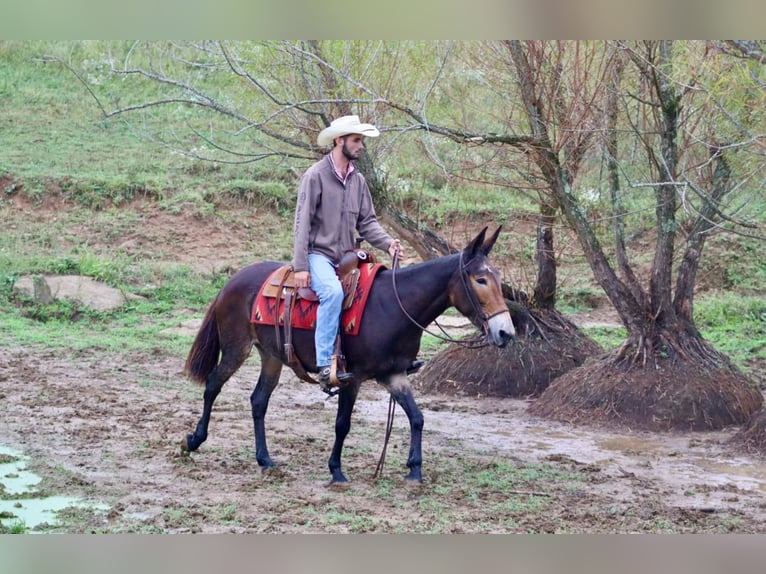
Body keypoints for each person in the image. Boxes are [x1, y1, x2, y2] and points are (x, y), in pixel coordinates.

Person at [292, 115, 403, 386]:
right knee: (332, 292)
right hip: (319, 255)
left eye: (361, 141)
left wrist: (388, 242)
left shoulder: (358, 181)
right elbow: (301, 223)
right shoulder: (315, 176)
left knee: (381, 290)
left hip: (348, 257)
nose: (361, 146)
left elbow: (367, 223)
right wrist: (301, 267)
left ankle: (391, 357)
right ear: (339, 141)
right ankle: (323, 364)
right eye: (356, 140)